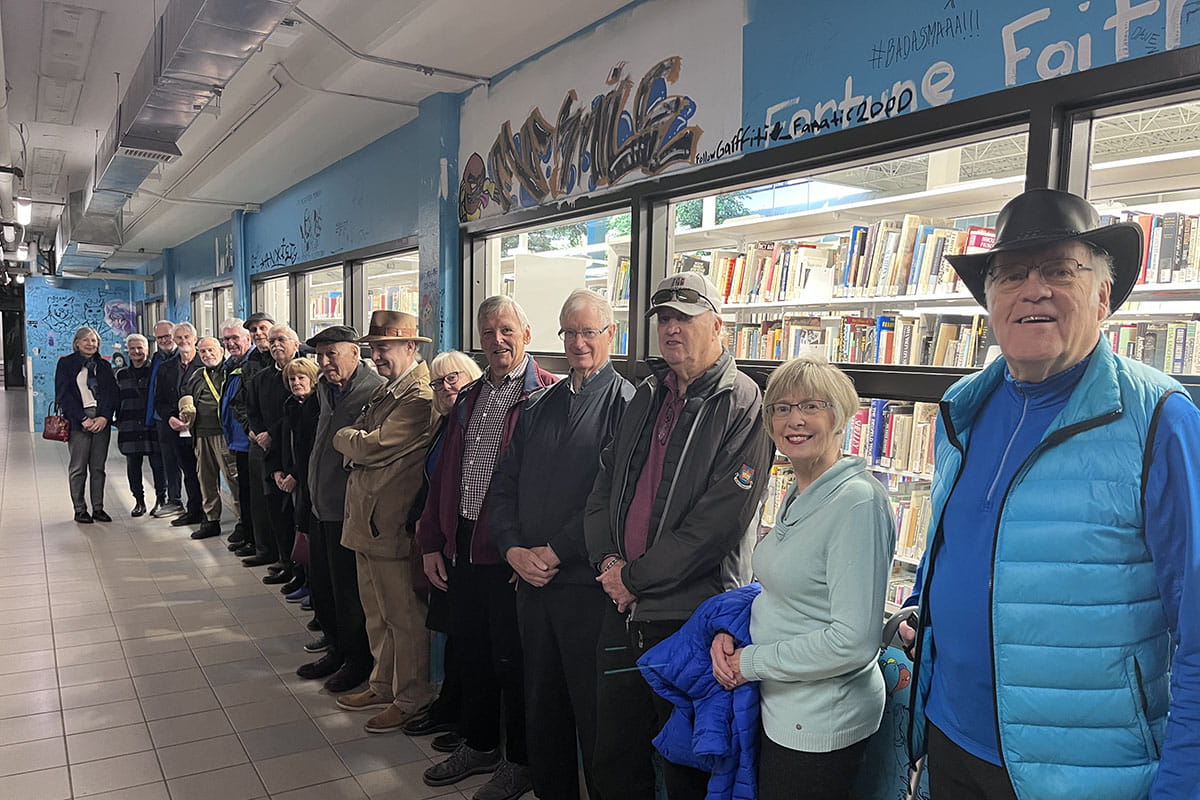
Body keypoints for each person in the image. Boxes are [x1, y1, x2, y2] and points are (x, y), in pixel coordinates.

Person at [898, 188, 1200, 800]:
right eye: (1011, 274)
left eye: (1060, 270)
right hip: (949, 745)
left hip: (1083, 772)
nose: (1033, 289)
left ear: (1103, 296)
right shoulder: (965, 411)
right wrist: (921, 604)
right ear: (990, 303)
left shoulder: (1160, 421)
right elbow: (961, 543)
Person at [584, 271, 773, 800]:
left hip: (692, 617)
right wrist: (607, 564)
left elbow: (717, 527)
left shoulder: (744, 403)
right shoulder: (646, 396)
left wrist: (634, 579)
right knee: (615, 753)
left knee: (688, 762)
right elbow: (603, 487)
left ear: (717, 324)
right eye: (664, 318)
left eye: (684, 318)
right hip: (622, 606)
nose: (671, 329)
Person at [708, 356, 895, 800]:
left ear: (841, 417)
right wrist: (731, 633)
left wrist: (748, 663)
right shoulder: (801, 489)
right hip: (784, 703)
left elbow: (853, 641)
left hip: (819, 719)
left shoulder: (856, 505)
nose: (795, 419)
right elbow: (792, 593)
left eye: (812, 406)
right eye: (781, 407)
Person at [488, 289, 635, 800]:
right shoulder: (539, 406)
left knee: (597, 722)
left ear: (610, 335)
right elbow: (503, 485)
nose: (577, 343)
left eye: (588, 332)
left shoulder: (628, 407)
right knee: (542, 711)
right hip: (531, 585)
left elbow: (614, 498)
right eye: (569, 332)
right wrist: (511, 549)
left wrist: (555, 551)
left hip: (587, 591)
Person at [417, 296, 556, 800]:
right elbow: (444, 476)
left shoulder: (545, 395)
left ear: (526, 332)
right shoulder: (470, 396)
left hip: (512, 558)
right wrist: (432, 540)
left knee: (514, 662)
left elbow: (554, 486)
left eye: (506, 329)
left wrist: (531, 550)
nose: (497, 339)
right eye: (488, 330)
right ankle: (478, 745)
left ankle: (520, 761)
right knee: (471, 650)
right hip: (465, 547)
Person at [332, 310, 440, 733]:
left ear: (411, 347)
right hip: (366, 521)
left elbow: (371, 444)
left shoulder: (419, 397)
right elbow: (357, 437)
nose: (376, 356)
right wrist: (355, 442)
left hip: (391, 525)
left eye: (384, 348)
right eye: (372, 349)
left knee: (404, 618)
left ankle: (412, 695)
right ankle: (382, 683)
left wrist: (353, 443)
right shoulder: (388, 391)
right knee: (375, 614)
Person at [400, 350, 483, 752]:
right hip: (445, 545)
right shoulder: (446, 424)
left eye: (454, 378)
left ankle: (466, 717)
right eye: (439, 382)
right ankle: (449, 705)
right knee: (451, 635)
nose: (447, 387)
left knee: (469, 641)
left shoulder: (476, 425)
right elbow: (433, 485)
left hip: (472, 548)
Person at [297, 325, 383, 693]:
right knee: (324, 588)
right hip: (320, 504)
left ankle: (357, 660)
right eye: (320, 355)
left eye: (332, 353)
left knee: (349, 592)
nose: (325, 362)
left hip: (348, 508)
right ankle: (336, 650)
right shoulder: (325, 388)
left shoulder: (373, 390)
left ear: (354, 352)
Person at [244, 323, 303, 584]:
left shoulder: (306, 374)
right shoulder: (261, 379)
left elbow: (299, 416)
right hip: (269, 454)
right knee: (275, 510)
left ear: (296, 344)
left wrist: (273, 434)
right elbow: (252, 411)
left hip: (294, 454)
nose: (276, 344)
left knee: (296, 515)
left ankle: (300, 567)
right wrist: (258, 433)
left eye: (282, 339)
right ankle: (284, 560)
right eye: (272, 340)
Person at [266, 355, 321, 604]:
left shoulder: (318, 407)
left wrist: (295, 476)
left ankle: (313, 586)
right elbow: (279, 442)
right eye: (292, 378)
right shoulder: (290, 405)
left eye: (301, 377)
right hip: (290, 478)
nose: (297, 382)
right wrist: (277, 470)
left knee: (309, 532)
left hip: (308, 481)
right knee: (296, 529)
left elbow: (311, 449)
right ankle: (301, 577)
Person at [55, 326, 119, 524]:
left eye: (94, 340)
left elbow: (111, 394)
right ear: (77, 343)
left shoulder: (104, 366)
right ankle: (80, 509)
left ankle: (98, 508)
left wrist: (104, 417)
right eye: (86, 340)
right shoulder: (66, 364)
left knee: (98, 467)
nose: (90, 344)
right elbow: (63, 396)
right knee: (78, 467)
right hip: (78, 421)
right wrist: (82, 419)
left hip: (101, 420)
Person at [231, 312, 279, 561]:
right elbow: (239, 403)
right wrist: (251, 428)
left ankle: (286, 557)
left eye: (263, 328)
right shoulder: (249, 366)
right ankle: (264, 550)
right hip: (256, 442)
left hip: (281, 442)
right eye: (254, 330)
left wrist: (272, 433)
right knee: (258, 499)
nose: (259, 333)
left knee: (281, 503)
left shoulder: (292, 361)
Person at [183, 336, 239, 540]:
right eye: (202, 351)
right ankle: (211, 519)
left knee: (233, 478)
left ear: (221, 350)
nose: (207, 354)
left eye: (210, 350)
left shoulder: (231, 372)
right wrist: (185, 410)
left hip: (224, 434)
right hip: (201, 434)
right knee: (205, 479)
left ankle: (242, 521)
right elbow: (186, 395)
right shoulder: (197, 375)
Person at [155, 322, 204, 527]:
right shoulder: (166, 368)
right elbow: (159, 400)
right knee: (188, 471)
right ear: (174, 341)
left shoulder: (206, 363)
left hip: (202, 428)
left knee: (205, 472)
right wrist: (170, 418)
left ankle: (210, 513)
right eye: (179, 338)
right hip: (177, 429)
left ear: (194, 339)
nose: (183, 341)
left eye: (187, 337)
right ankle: (194, 511)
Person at [113, 333, 165, 517]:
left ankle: (161, 499)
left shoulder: (157, 371)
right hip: (129, 426)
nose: (136, 351)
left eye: (140, 348)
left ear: (147, 349)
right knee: (133, 466)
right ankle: (139, 501)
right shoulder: (121, 374)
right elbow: (115, 401)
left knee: (158, 465)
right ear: (128, 350)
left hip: (152, 426)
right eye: (132, 348)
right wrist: (118, 422)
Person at [217, 320, 253, 551]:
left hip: (250, 440)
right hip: (237, 440)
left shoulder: (252, 365)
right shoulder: (230, 364)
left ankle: (254, 539)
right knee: (245, 492)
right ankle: (248, 534)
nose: (231, 343)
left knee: (253, 495)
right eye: (226, 339)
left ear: (247, 339)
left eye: (235, 338)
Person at [146, 320, 182, 517]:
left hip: (182, 419)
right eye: (160, 337)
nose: (165, 340)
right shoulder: (157, 358)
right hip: (161, 418)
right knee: (167, 460)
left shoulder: (183, 356)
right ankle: (173, 500)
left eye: (168, 336)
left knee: (188, 461)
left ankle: (198, 503)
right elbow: (155, 389)